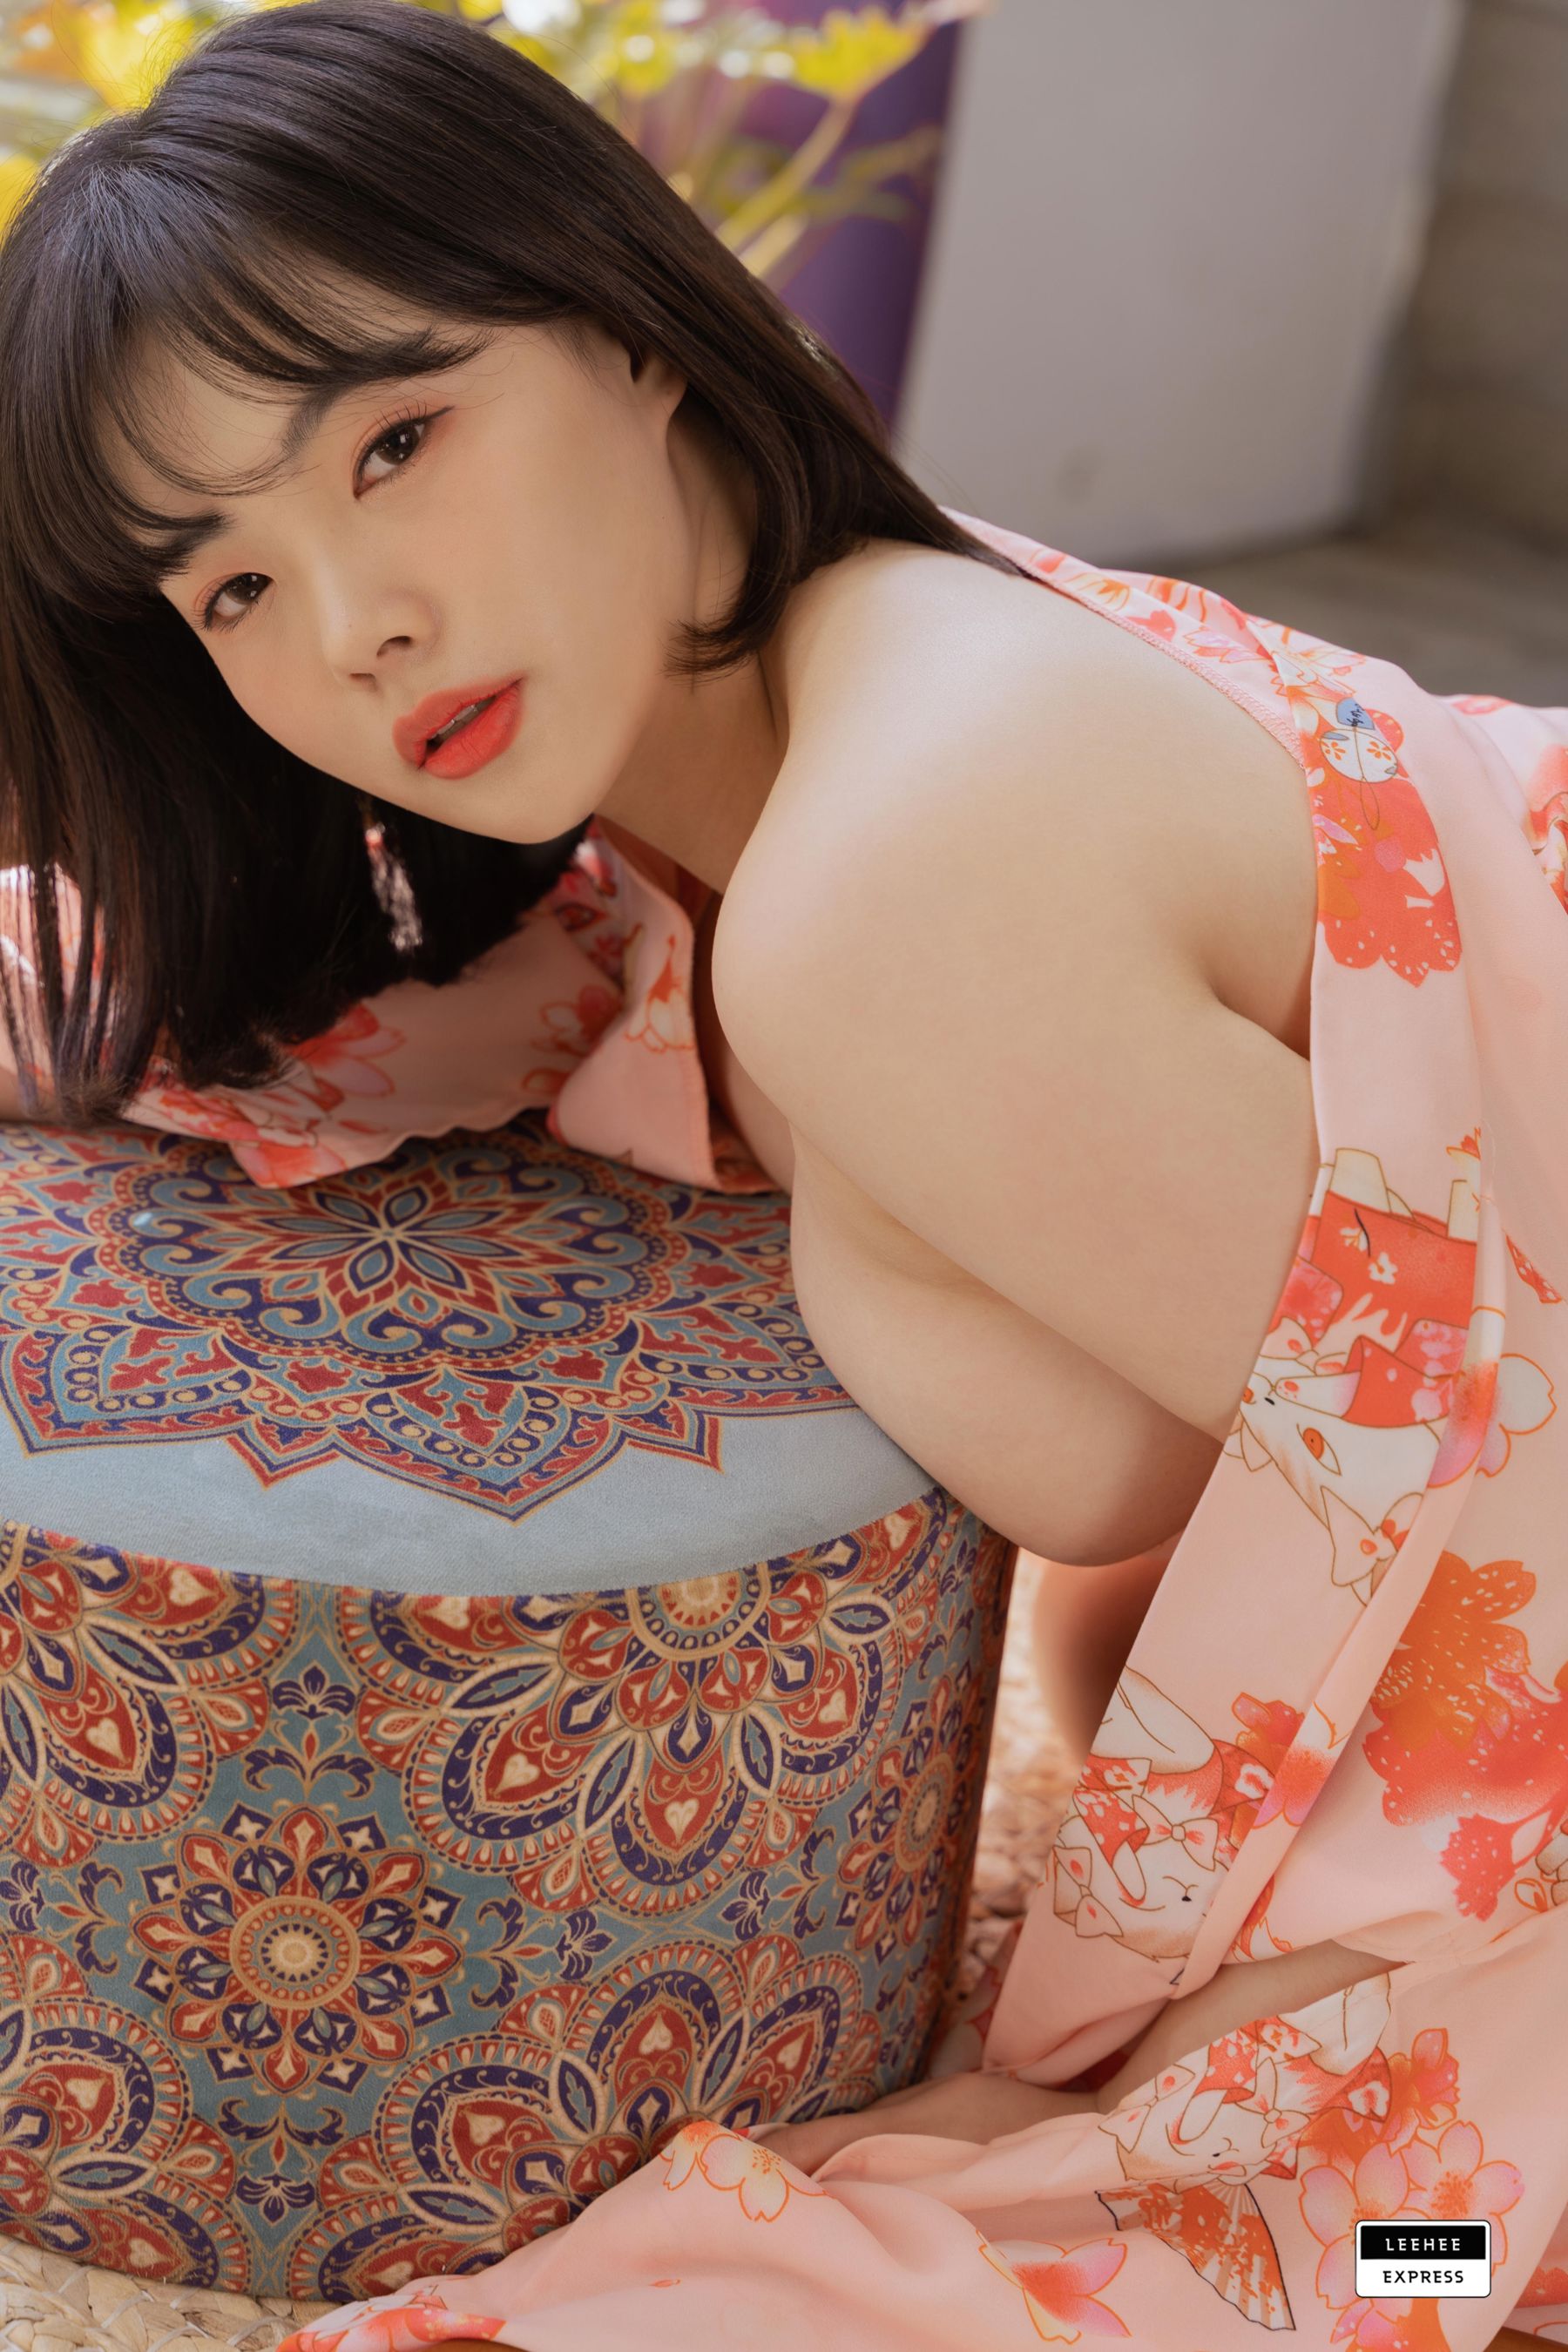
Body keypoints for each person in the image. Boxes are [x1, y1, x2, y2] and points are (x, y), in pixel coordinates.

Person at [0, 3, 1565, 2345]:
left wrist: (1226, 2067)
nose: (351, 625)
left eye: (396, 443)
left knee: (1359, 2254)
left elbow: (1524, 1471)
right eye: (227, 587)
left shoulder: (888, 882)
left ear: (629, 331)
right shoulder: (752, 760)